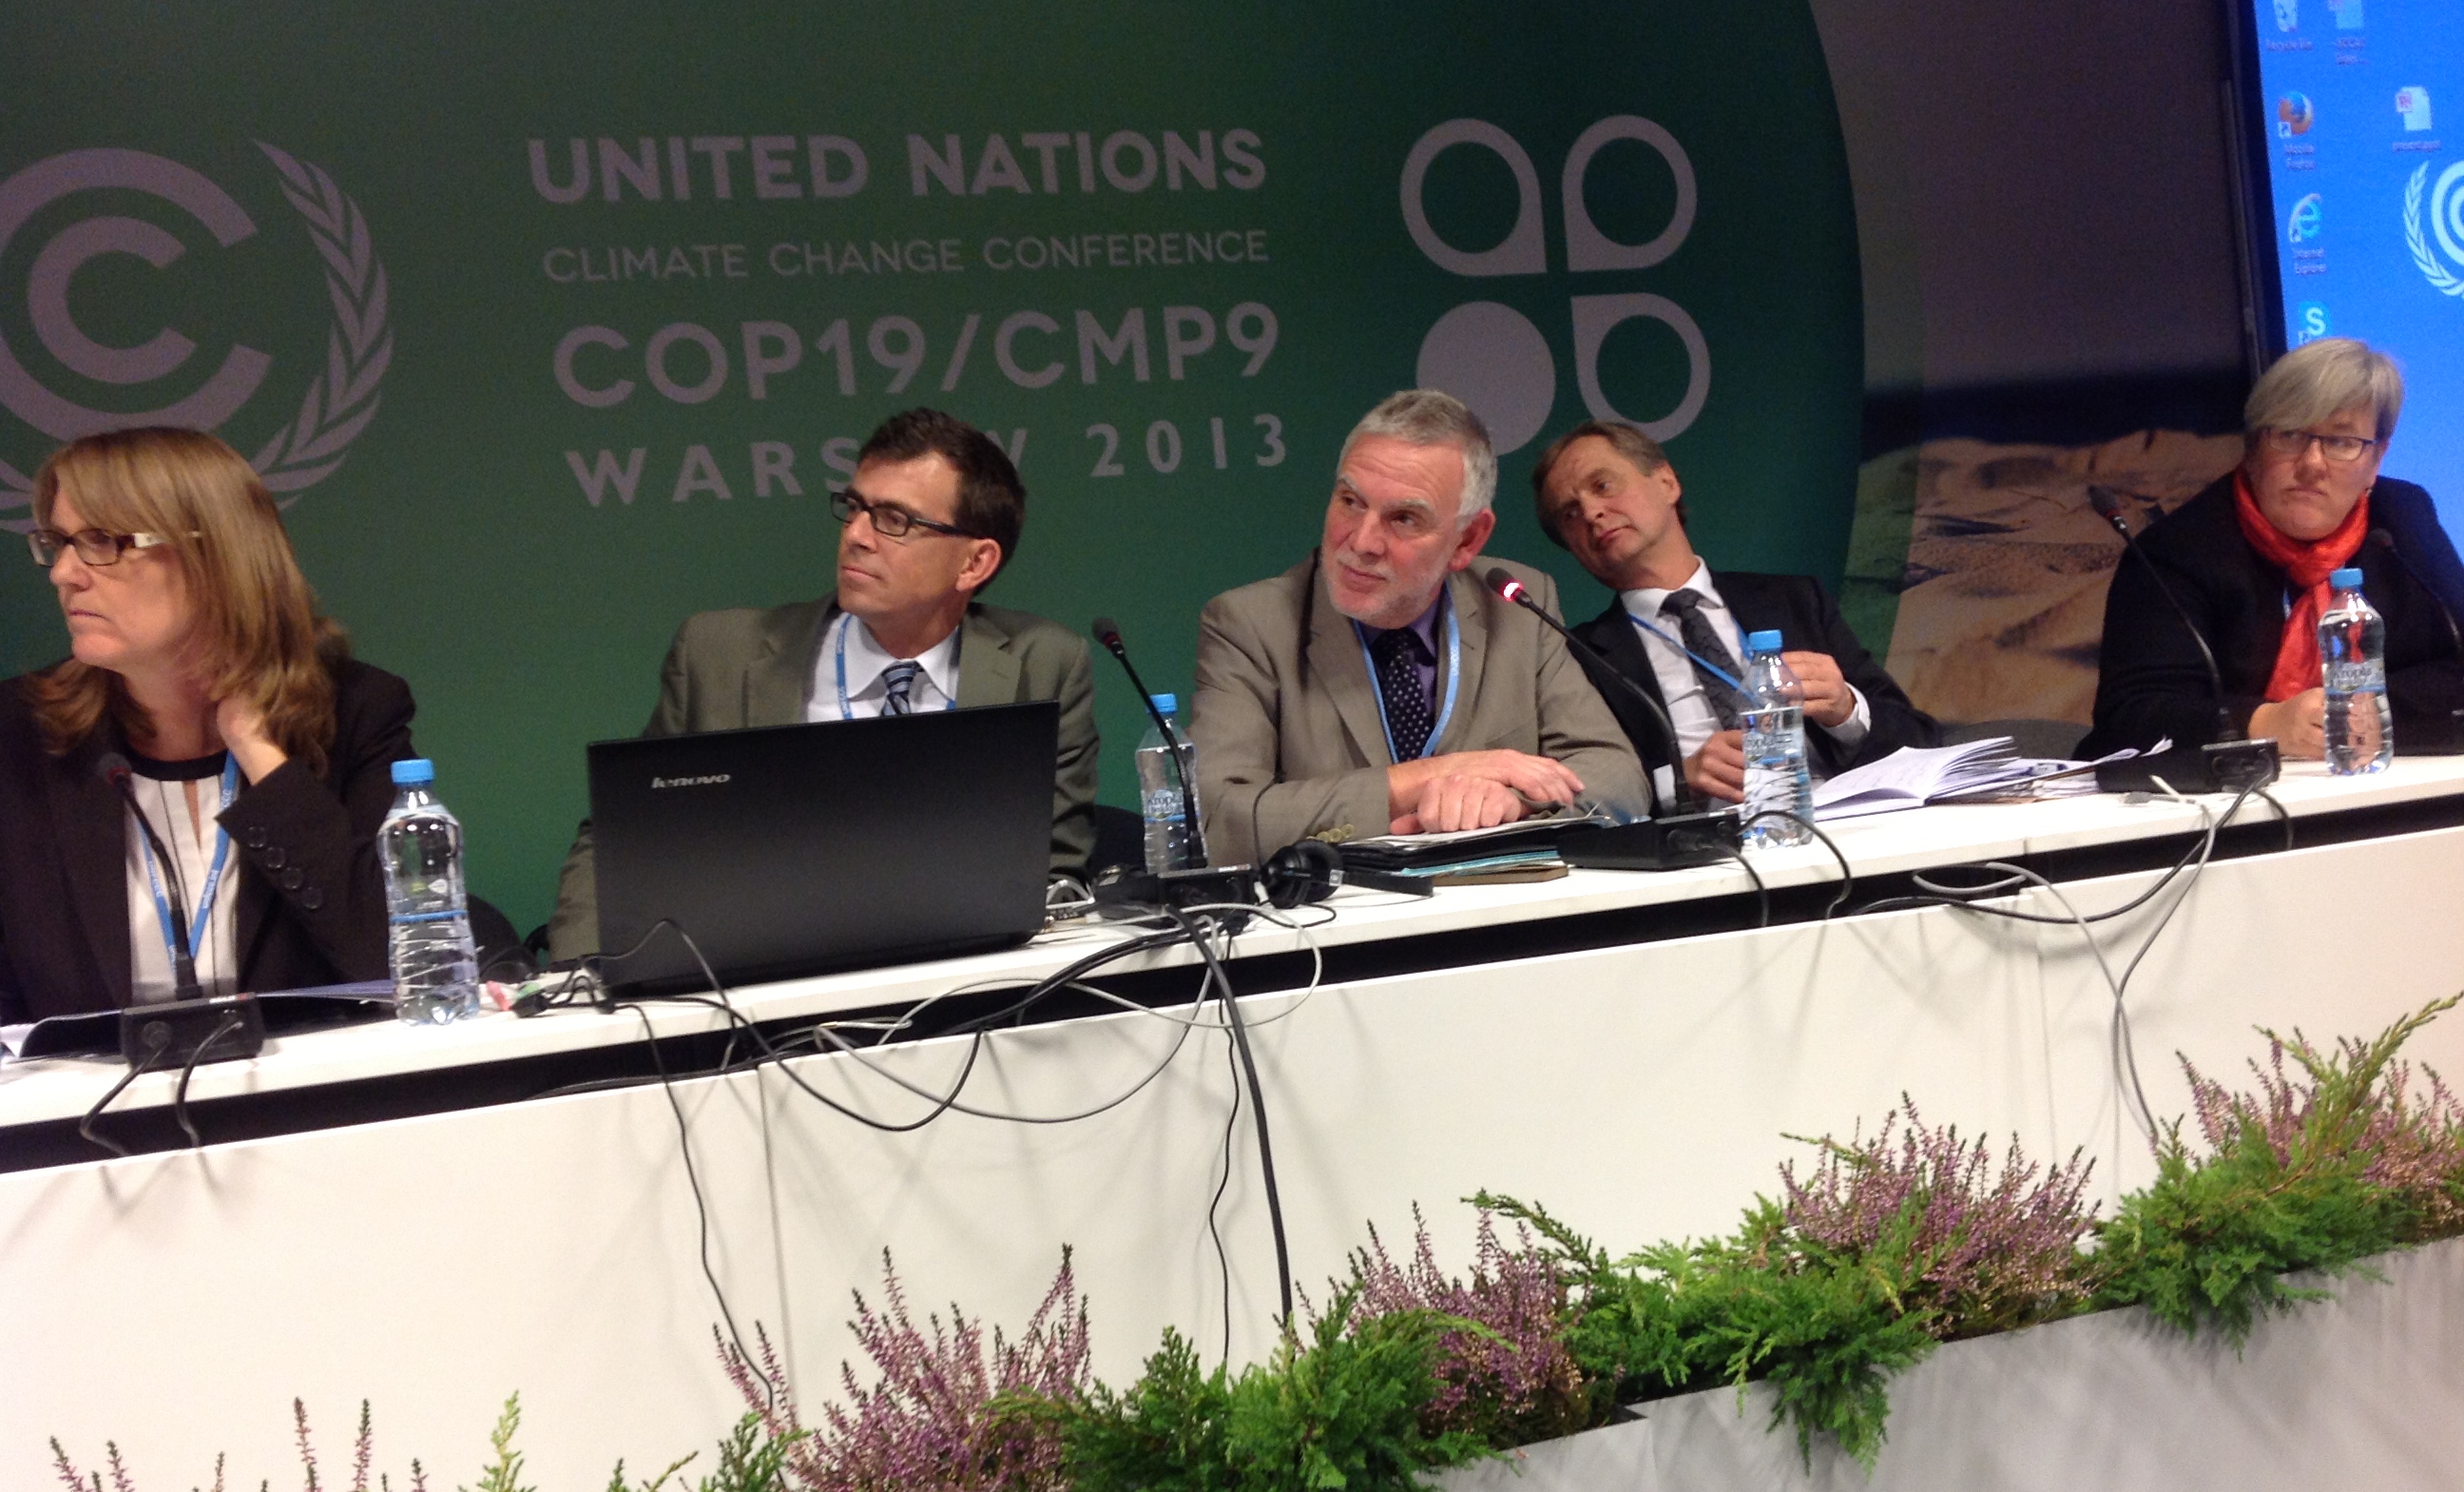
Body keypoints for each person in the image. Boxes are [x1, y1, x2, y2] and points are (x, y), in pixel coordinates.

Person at [548, 406, 1097, 959]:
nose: (856, 535)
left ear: (974, 563)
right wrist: (587, 973)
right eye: (855, 508)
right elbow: (624, 842)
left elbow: (1051, 869)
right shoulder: (719, 655)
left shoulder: (1044, 666)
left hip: (961, 989)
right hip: (755, 992)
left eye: (895, 520)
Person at [0, 426, 415, 1024]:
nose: (63, 574)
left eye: (99, 541)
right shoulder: (19, 735)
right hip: (87, 1112)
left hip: (306, 1107)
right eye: (58, 542)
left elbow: (395, 961)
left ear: (212, 557)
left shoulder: (354, 713)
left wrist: (258, 749)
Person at [1190, 389, 1646, 863]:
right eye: (1350, 501)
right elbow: (1219, 823)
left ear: (1466, 539)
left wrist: (1518, 800)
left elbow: (1617, 774)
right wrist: (1428, 779)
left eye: (1404, 518)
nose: (1362, 542)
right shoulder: (1250, 626)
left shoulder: (1516, 604)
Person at [2083, 338, 2464, 760]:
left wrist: (2365, 709)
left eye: (2341, 443)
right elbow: (2129, 717)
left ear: (2376, 460)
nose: (2312, 464)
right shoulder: (2177, 552)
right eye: (2290, 435)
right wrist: (2263, 723)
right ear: (2253, 445)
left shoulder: (2402, 521)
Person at [1532, 418, 1939, 806]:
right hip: (1705, 859)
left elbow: (1922, 742)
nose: (1590, 512)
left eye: (1602, 485)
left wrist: (1846, 711)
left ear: (1666, 481)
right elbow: (1579, 790)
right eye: (1568, 514)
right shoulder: (1579, 656)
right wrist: (1677, 779)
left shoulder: (1794, 600)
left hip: (1845, 829)